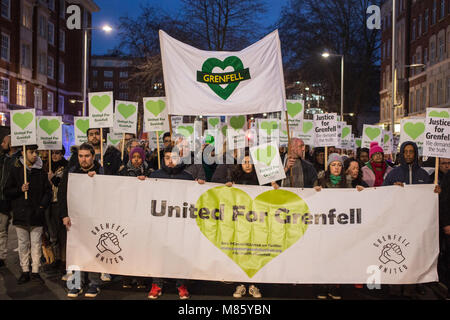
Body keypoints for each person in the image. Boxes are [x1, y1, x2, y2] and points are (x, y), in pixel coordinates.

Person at [148, 146, 199, 299]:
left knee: (180, 253)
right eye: (167, 158)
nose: (170, 161)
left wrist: (200, 186)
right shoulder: (154, 175)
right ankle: (157, 284)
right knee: (158, 253)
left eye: (174, 158)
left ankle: (181, 284)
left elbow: (193, 199)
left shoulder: (187, 177)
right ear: (163, 159)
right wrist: (141, 183)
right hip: (159, 222)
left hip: (179, 223)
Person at [313, 153, 364, 299]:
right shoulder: (320, 180)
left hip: (339, 225)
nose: (336, 168)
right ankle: (322, 286)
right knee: (323, 255)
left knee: (336, 256)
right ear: (329, 167)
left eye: (339, 165)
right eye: (333, 165)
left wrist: (359, 192)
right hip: (324, 224)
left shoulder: (347, 182)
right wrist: (314, 191)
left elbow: (351, 202)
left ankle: (334, 287)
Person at [59, 143, 104, 298]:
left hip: (94, 219)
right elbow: (62, 194)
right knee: (76, 251)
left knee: (93, 251)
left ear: (93, 156)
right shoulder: (71, 172)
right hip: (74, 219)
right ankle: (76, 284)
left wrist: (96, 179)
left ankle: (94, 284)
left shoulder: (101, 171)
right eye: (80, 156)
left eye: (86, 156)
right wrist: (64, 214)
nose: (83, 159)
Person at [4, 145, 52, 284]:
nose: (35, 155)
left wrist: (42, 206)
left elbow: (47, 192)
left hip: (37, 214)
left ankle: (36, 271)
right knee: (23, 244)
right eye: (31, 152)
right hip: (21, 214)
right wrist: (20, 189)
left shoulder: (40, 171)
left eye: (36, 152)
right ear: (24, 153)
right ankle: (25, 270)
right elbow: (7, 191)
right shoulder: (16, 170)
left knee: (36, 244)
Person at [224, 150, 262, 299]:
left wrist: (273, 186)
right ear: (240, 163)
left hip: (256, 220)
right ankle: (241, 285)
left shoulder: (260, 179)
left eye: (250, 161)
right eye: (244, 161)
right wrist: (227, 187)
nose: (247, 164)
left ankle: (253, 285)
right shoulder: (234, 178)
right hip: (239, 220)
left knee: (254, 252)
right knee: (240, 252)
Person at [119, 146, 150, 289]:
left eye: (139, 157)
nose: (136, 159)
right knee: (127, 246)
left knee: (141, 247)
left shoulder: (149, 172)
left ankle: (141, 278)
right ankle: (126, 277)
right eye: (133, 157)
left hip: (143, 214)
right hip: (127, 213)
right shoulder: (123, 172)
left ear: (143, 158)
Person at [44, 147, 68, 273]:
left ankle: (64, 260)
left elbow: (63, 183)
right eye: (52, 153)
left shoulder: (66, 166)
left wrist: (53, 178)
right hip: (49, 203)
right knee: (52, 233)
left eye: (57, 153)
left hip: (59, 202)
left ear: (62, 154)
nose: (54, 155)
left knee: (62, 233)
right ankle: (56, 258)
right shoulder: (47, 166)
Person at [0, 135, 20, 267]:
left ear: (11, 145)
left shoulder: (20, 160)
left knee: (22, 232)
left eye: (4, 142)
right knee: (2, 230)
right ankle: (1, 257)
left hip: (17, 200)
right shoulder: (2, 159)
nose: (2, 144)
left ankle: (27, 259)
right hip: (3, 200)